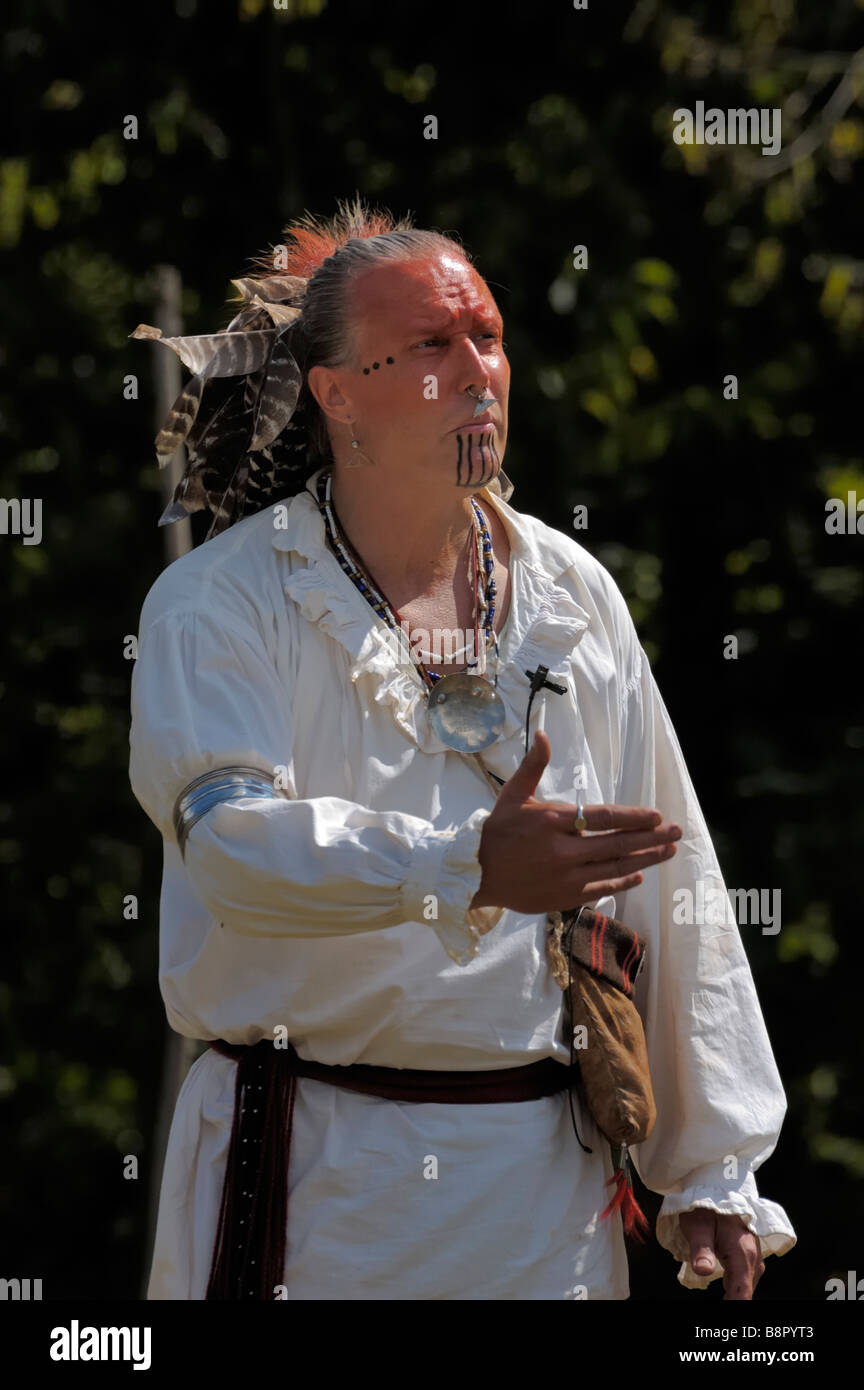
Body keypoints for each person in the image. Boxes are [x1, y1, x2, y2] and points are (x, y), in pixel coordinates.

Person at [128, 196, 796, 1300]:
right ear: (337, 394)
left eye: (487, 336)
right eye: (433, 345)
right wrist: (466, 866)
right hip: (311, 1188)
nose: (479, 369)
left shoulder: (572, 592)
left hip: (544, 1206)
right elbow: (232, 846)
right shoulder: (219, 601)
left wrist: (714, 1168)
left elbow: (673, 875)